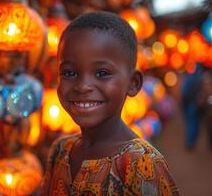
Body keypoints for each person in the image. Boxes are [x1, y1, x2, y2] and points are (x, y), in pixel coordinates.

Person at [40, 12, 179, 195]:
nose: (82, 87)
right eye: (70, 73)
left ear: (133, 83)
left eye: (102, 73)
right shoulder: (60, 150)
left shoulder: (141, 163)